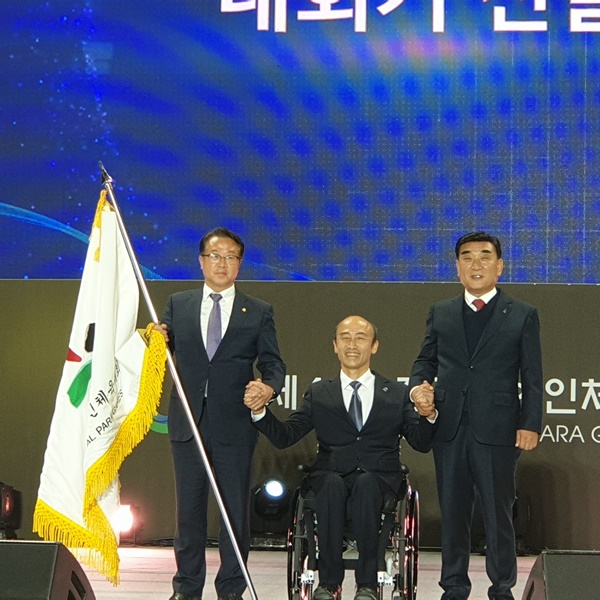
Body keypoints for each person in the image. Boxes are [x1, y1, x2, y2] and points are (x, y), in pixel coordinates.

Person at [244, 315, 436, 600]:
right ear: (335, 346)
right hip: (330, 476)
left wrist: (428, 415)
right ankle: (329, 583)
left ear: (374, 346)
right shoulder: (319, 392)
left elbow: (420, 442)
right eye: (345, 338)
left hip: (380, 479)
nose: (352, 345)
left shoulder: (397, 393)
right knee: (331, 484)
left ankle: (367, 584)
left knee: (367, 483)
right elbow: (286, 435)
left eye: (360, 338)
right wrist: (259, 411)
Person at [409, 231, 543, 600]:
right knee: (453, 511)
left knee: (498, 511)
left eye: (485, 256)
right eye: (467, 257)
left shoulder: (522, 314)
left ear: (500, 267)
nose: (476, 263)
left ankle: (502, 586)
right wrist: (418, 389)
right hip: (449, 426)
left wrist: (530, 423)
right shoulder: (441, 312)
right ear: (457, 268)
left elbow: (533, 375)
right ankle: (454, 585)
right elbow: (424, 362)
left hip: (498, 427)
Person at [157, 227, 286, 600]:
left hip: (235, 426)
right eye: (215, 255)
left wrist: (269, 387)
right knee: (189, 513)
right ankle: (186, 588)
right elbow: (162, 352)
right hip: (188, 423)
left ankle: (231, 588)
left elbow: (274, 365)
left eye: (230, 256)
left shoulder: (258, 310)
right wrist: (155, 341)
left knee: (233, 515)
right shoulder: (178, 304)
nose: (222, 263)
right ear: (201, 261)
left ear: (239, 265)